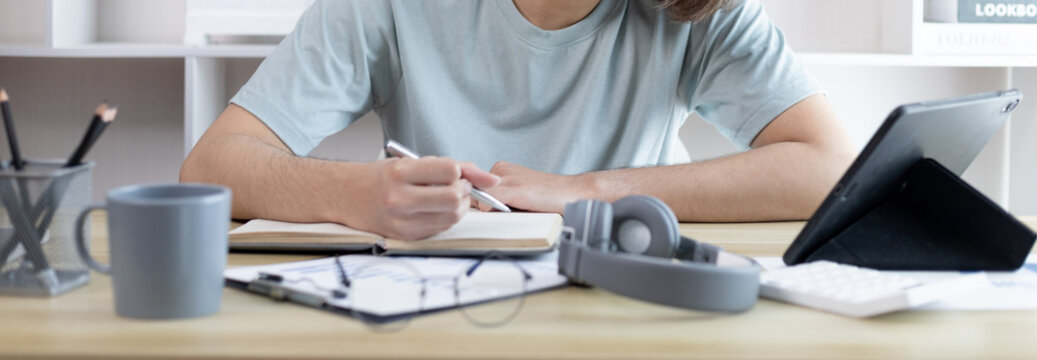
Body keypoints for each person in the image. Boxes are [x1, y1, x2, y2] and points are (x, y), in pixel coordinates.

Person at [180, 0, 855, 241]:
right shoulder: (384, 4)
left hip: (632, 295)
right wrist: (353, 194)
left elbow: (827, 168)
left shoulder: (698, 8)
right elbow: (211, 166)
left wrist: (587, 191)